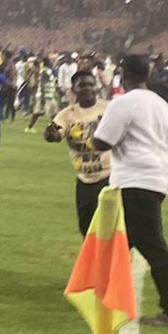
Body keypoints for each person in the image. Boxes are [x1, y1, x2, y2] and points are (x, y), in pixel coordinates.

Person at [89, 53, 168, 327]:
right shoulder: (162, 105)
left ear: (123, 73)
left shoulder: (124, 102)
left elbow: (102, 143)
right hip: (156, 178)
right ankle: (104, 295)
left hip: (135, 179)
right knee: (121, 240)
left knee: (153, 245)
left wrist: (92, 134)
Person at [44, 69, 113, 234]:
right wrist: (51, 134)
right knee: (87, 228)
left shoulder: (109, 108)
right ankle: (91, 259)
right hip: (84, 179)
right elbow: (56, 132)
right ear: (74, 89)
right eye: (82, 85)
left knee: (109, 227)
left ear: (96, 87)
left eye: (90, 84)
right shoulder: (68, 114)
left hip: (109, 177)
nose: (87, 88)